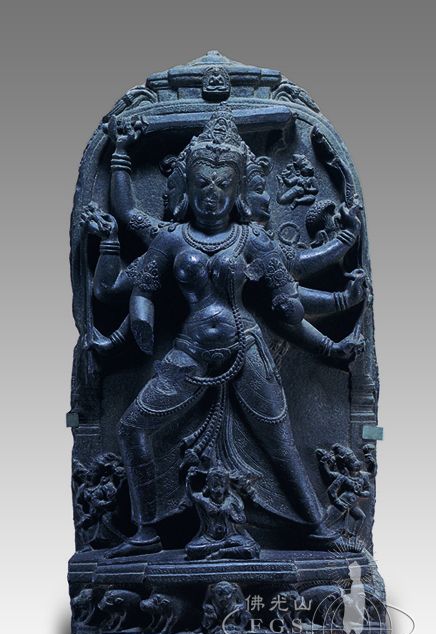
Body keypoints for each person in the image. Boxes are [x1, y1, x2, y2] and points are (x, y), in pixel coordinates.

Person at [83, 108, 366, 556]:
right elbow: (129, 248)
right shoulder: (172, 239)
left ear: (238, 192)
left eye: (222, 185)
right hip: (191, 352)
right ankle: (145, 531)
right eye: (202, 184)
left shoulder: (253, 240)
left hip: (245, 347)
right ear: (185, 188)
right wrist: (120, 157)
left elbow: (291, 287)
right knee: (133, 427)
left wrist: (338, 282)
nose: (211, 195)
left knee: (281, 443)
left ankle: (319, 529)